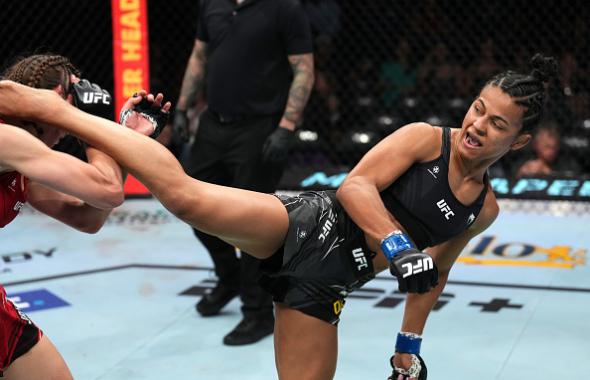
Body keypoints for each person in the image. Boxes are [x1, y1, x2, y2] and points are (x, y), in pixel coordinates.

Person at [0, 54, 557, 380]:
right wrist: (396, 246)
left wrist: (409, 347)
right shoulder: (423, 140)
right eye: (478, 108)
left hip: (327, 283)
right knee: (186, 197)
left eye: (497, 124)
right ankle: (90, 119)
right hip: (311, 223)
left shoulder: (482, 210)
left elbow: (433, 277)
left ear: (520, 140)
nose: (478, 124)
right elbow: (355, 187)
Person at [0, 54, 166, 380]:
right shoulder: (7, 139)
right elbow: (107, 189)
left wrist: (125, 139)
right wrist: (95, 123)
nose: (69, 125)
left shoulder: (23, 163)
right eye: (71, 108)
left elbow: (89, 218)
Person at [171, 0, 315, 345]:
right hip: (213, 123)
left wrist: (287, 126)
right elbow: (199, 55)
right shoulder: (212, 4)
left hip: (259, 128)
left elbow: (304, 69)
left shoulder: (285, 8)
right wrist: (182, 106)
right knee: (192, 207)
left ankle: (258, 313)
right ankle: (228, 276)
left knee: (251, 222)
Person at [515, 121, 580, 178]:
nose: (551, 151)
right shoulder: (524, 159)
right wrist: (521, 173)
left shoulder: (567, 162)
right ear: (536, 145)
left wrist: (548, 173)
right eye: (547, 147)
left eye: (554, 147)